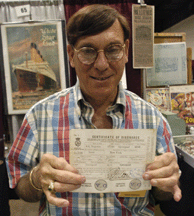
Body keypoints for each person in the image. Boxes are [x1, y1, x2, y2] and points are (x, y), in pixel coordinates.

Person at [6, 4, 181, 216]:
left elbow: (164, 193)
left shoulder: (153, 119)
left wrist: (166, 182)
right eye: (88, 51)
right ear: (71, 55)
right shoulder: (39, 116)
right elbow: (19, 183)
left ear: (125, 51)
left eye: (113, 50)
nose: (101, 64)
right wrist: (36, 178)